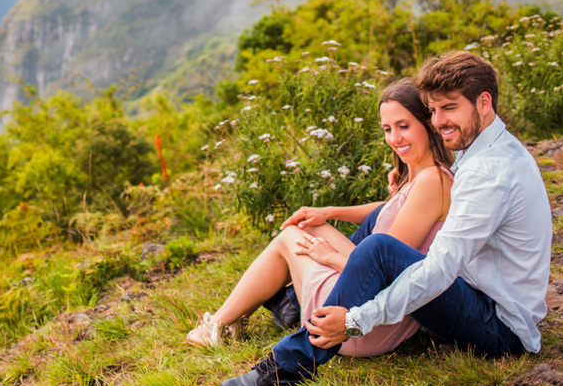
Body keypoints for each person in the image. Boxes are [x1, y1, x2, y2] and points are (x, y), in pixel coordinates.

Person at [220, 51, 553, 386]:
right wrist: (403, 190)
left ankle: (291, 364)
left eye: (449, 108)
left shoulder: (487, 174)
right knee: (376, 240)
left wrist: (354, 321)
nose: (438, 121)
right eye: (434, 110)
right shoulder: (490, 151)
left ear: (483, 102)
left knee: (379, 250)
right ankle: (292, 308)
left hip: (498, 327)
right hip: (484, 299)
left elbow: (439, 271)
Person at [186, 79, 453, 357]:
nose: (394, 139)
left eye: (404, 126)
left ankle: (216, 326)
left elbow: (388, 274)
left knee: (289, 238)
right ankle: (234, 319)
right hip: (373, 310)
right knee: (310, 225)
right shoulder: (423, 175)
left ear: (428, 122)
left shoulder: (431, 181)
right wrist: (330, 212)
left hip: (362, 324)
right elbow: (391, 211)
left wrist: (330, 258)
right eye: (387, 129)